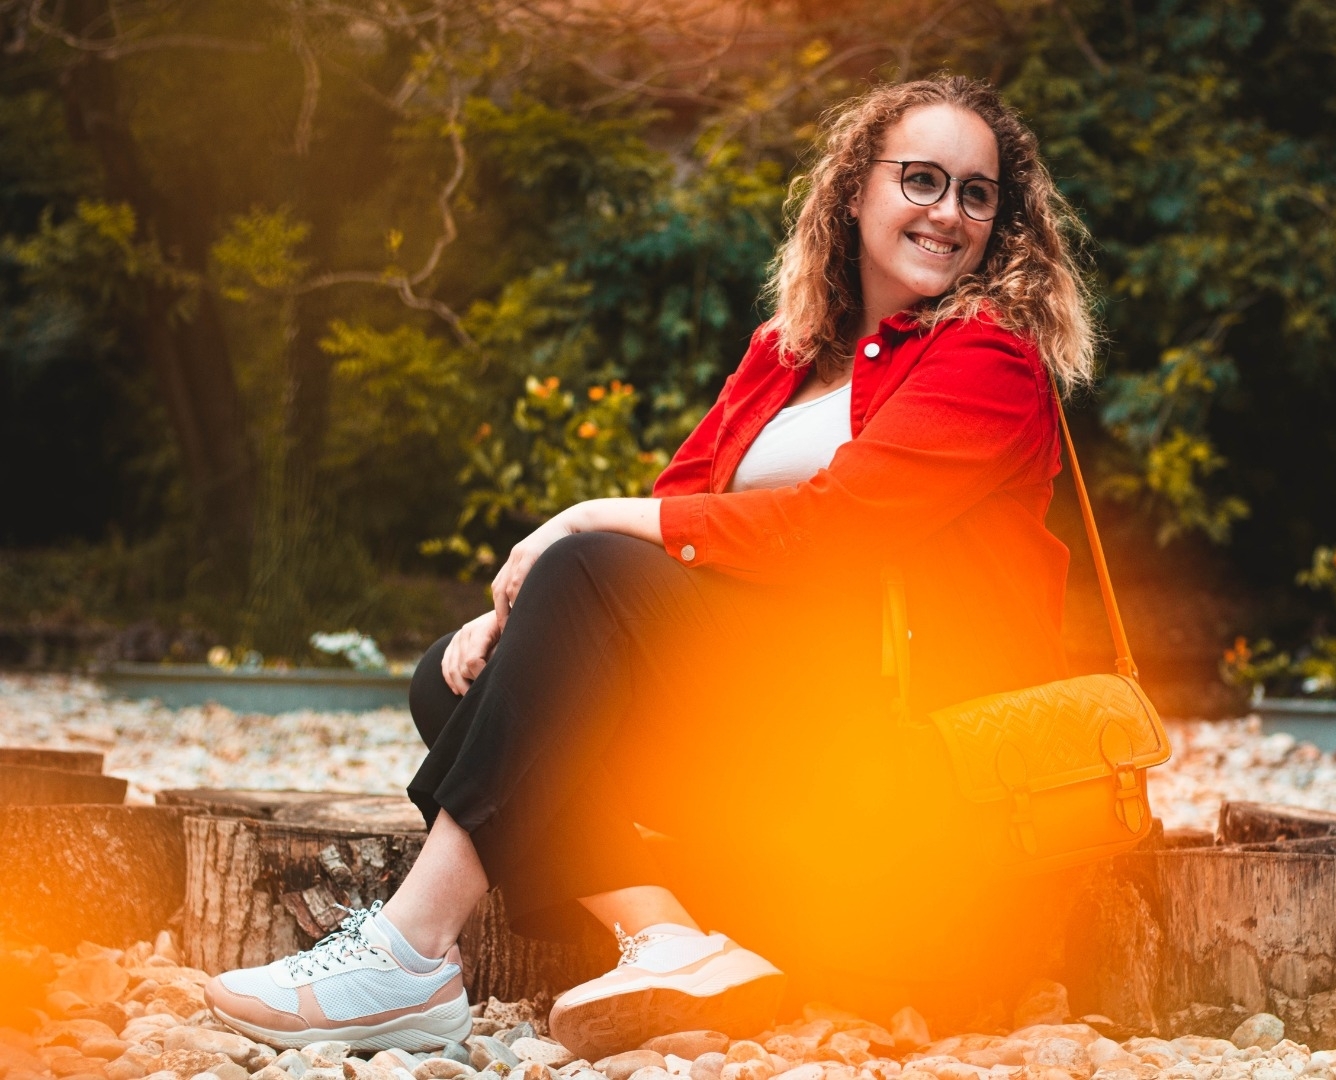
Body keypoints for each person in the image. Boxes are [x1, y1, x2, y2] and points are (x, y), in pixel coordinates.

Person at [203, 73, 1097, 1059]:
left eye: (977, 194)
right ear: (854, 191)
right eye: (920, 179)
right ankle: (667, 937)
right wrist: (518, 617)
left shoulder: (989, 358)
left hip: (891, 742)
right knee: (450, 679)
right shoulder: (786, 352)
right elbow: (682, 498)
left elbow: (830, 530)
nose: (948, 212)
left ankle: (408, 950)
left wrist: (578, 525)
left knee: (584, 569)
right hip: (757, 715)